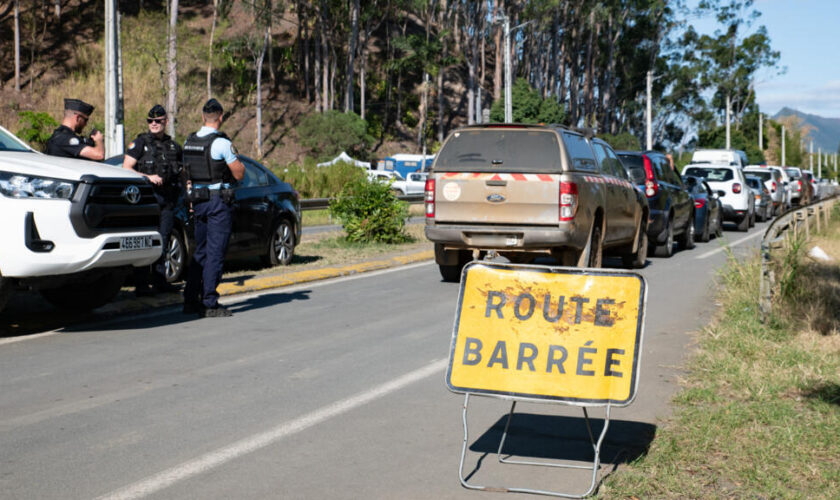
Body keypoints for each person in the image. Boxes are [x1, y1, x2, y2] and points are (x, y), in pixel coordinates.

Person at [182, 98, 245, 317]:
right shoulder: (221, 143)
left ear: (202, 117)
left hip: (198, 201)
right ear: (220, 117)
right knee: (215, 253)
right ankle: (210, 302)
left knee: (200, 252)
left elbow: (187, 175)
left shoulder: (189, 141)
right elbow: (239, 173)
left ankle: (190, 300)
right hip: (218, 202)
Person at [123, 104, 184, 296]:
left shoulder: (173, 146)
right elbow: (126, 168)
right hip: (148, 199)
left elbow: (182, 172)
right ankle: (141, 285)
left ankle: (160, 281)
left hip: (168, 199)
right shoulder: (140, 142)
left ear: (165, 122)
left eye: (158, 121)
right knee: (146, 241)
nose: (154, 124)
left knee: (163, 240)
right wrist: (148, 178)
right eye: (151, 121)